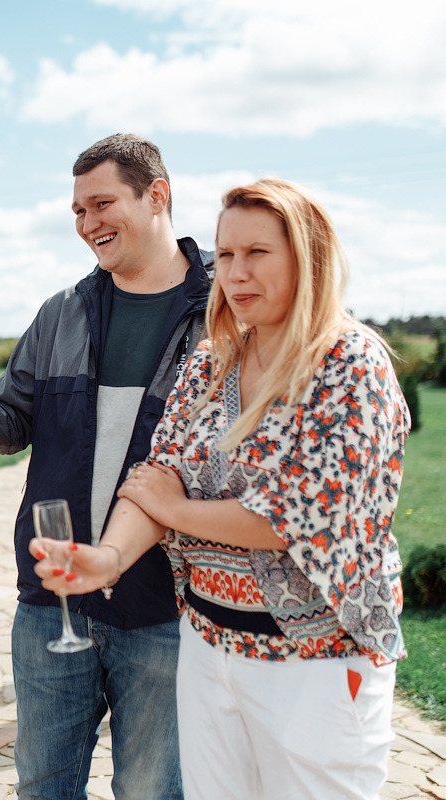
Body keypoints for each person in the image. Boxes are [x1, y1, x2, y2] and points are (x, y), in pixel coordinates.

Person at [35, 178, 408, 799]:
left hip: (317, 661)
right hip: (210, 645)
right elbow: (156, 477)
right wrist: (108, 558)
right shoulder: (211, 362)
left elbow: (293, 516)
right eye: (226, 254)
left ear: (307, 256)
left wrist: (175, 508)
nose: (235, 272)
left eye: (257, 253)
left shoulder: (349, 363)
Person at [0, 134, 211, 799]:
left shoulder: (223, 309)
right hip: (52, 603)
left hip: (168, 606)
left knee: (155, 791)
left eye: (102, 204)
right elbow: (11, 415)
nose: (88, 224)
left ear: (157, 195)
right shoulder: (63, 312)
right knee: (42, 787)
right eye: (77, 211)